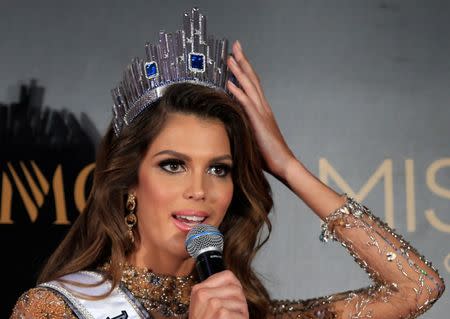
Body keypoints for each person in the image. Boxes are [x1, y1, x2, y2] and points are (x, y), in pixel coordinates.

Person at [11, 7, 445, 319]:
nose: (200, 189)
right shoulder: (54, 309)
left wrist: (287, 165)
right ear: (129, 183)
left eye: (219, 168)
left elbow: (417, 288)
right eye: (173, 165)